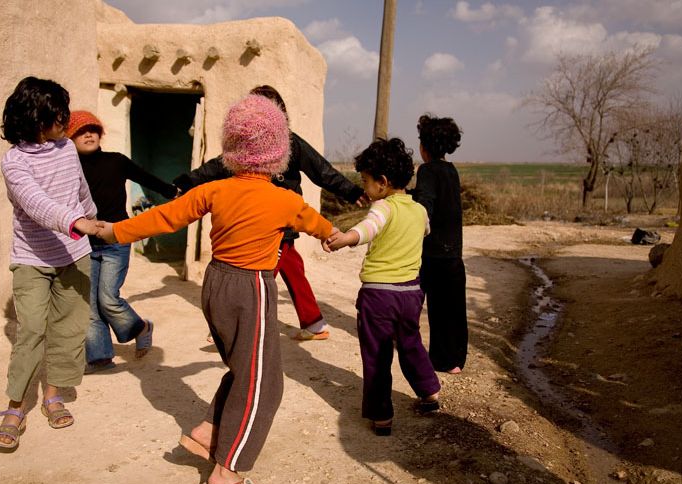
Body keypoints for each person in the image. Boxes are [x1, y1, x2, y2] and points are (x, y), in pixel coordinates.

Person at [98, 95, 335, 484]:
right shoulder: (286, 200)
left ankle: (209, 432)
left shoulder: (214, 190)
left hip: (215, 285)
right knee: (265, 383)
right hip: (252, 287)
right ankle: (226, 473)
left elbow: (163, 216)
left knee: (243, 367)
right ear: (280, 150)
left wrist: (113, 231)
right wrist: (339, 236)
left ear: (232, 147)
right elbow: (322, 228)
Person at [172, 85, 367, 341]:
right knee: (292, 268)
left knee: (259, 276)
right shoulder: (247, 144)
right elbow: (215, 168)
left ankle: (236, 327)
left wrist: (352, 192)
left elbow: (322, 171)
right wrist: (186, 181)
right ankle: (315, 324)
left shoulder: (291, 142)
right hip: (258, 218)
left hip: (280, 221)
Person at [0, 77, 101, 451]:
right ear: (35, 117)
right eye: (57, 115)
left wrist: (92, 218)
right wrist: (75, 222)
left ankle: (53, 395)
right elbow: (36, 203)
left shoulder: (67, 148)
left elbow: (78, 189)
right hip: (32, 258)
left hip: (74, 254)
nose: (64, 121)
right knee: (32, 330)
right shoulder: (14, 162)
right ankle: (15, 408)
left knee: (69, 330)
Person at [326, 138, 441, 436]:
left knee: (376, 354)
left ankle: (381, 415)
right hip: (411, 294)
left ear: (383, 182)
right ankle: (429, 391)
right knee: (410, 342)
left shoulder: (382, 207)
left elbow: (368, 229)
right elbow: (425, 231)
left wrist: (344, 239)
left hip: (378, 296)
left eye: (365, 181)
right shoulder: (419, 211)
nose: (363, 187)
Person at [66, 111, 178, 373]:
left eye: (93, 129)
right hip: (84, 243)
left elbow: (145, 178)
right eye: (81, 131)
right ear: (69, 138)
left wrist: (173, 192)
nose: (89, 134)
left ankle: (141, 327)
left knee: (107, 297)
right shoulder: (69, 169)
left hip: (116, 238)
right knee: (90, 304)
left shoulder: (115, 161)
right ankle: (101, 357)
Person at [411, 114, 468, 374]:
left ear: (424, 147)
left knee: (432, 306)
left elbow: (425, 206)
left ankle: (436, 358)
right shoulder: (451, 170)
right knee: (454, 308)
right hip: (454, 251)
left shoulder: (426, 170)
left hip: (432, 251)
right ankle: (454, 360)